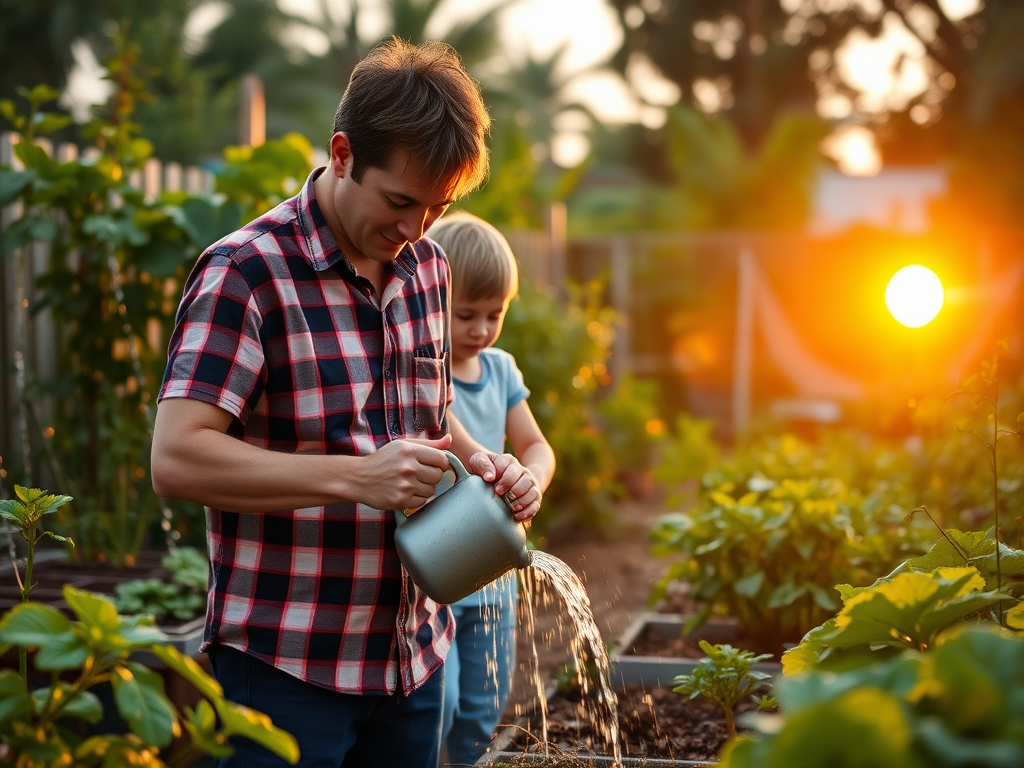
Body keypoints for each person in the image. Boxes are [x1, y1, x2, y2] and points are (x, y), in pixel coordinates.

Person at [150, 38, 542, 768]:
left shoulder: (427, 268)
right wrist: (357, 477)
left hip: (412, 659)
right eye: (399, 201)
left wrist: (484, 463)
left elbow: (422, 413)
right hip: (287, 667)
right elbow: (176, 459)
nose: (415, 228)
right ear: (340, 153)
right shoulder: (245, 274)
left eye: (438, 207)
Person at [427, 212, 555, 766]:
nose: (480, 329)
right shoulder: (426, 371)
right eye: (466, 315)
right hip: (440, 573)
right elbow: (449, 438)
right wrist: (489, 463)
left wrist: (532, 480)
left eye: (494, 314)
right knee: (442, 705)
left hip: (495, 575)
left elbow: (537, 446)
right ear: (432, 303)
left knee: (484, 708)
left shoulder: (500, 370)